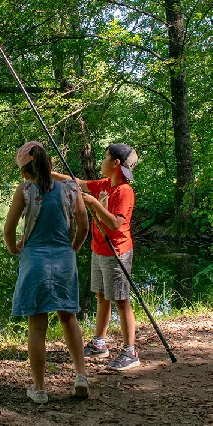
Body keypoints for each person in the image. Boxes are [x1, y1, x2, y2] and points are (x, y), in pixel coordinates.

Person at [4, 141, 90, 403]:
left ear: (24, 171)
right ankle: (81, 377)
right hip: (64, 258)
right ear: (50, 163)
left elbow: (9, 228)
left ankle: (40, 389)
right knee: (69, 318)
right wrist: (73, 247)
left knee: (37, 327)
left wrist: (13, 248)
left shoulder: (26, 190)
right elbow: (84, 225)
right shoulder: (70, 188)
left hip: (35, 261)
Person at [52, 143, 140, 371]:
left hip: (117, 252)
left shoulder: (124, 191)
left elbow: (116, 222)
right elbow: (77, 182)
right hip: (99, 249)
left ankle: (130, 351)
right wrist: (46, 172)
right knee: (102, 297)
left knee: (121, 300)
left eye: (105, 157)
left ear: (116, 164)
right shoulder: (104, 185)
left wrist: (92, 203)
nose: (101, 161)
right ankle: (99, 343)